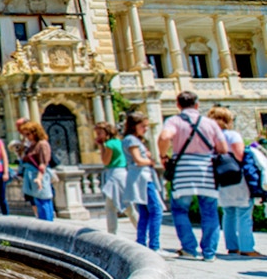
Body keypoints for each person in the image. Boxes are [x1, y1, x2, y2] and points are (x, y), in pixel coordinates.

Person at [157, 91, 227, 261]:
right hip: (206, 172)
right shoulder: (209, 123)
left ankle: (189, 248)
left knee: (180, 210)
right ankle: (209, 252)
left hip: (183, 172)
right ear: (197, 105)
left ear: (178, 105)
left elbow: (164, 137)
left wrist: (164, 156)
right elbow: (223, 148)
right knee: (210, 211)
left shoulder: (174, 121)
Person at [209, 107, 260, 257]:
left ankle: (232, 246)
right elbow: (239, 155)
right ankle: (247, 248)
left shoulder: (210, 137)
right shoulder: (232, 135)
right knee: (244, 213)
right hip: (236, 177)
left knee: (228, 212)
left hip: (220, 178)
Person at [123, 112, 164, 253]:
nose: (145, 129)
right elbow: (138, 160)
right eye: (143, 126)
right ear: (134, 126)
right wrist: (151, 161)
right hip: (143, 178)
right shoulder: (131, 140)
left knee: (145, 212)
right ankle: (154, 245)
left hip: (139, 177)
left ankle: (141, 242)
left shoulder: (131, 139)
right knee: (156, 210)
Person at [95, 122, 130, 234]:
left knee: (112, 207)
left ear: (107, 132)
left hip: (115, 175)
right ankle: (141, 232)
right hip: (122, 172)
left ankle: (112, 233)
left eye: (100, 133)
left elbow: (106, 161)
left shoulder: (109, 144)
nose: (98, 136)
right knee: (125, 207)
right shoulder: (119, 142)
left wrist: (101, 146)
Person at [19, 122, 54, 220]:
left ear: (35, 132)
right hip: (32, 176)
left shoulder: (42, 144)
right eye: (25, 135)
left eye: (28, 134)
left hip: (39, 175)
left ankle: (47, 223)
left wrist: (39, 178)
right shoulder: (31, 145)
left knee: (43, 200)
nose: (27, 137)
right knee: (37, 201)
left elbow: (43, 163)